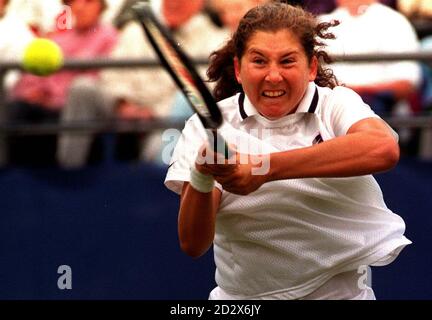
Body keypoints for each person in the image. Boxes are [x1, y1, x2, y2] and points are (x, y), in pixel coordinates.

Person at [164, 2, 411, 300]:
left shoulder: (335, 104)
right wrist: (203, 173)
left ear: (311, 67)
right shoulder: (204, 127)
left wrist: (264, 168)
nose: (273, 76)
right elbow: (193, 243)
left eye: (287, 61)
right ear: (238, 69)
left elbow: (382, 148)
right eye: (259, 61)